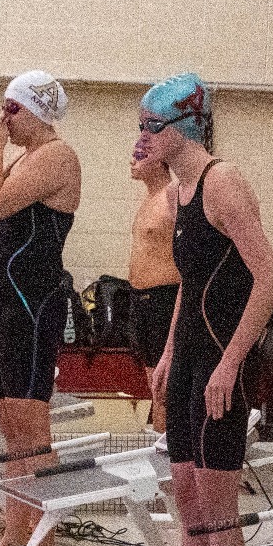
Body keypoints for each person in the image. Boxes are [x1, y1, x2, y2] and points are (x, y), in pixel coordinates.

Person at [127, 75, 273, 546]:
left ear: (179, 128)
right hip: (192, 355)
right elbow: (189, 287)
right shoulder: (178, 193)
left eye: (149, 127)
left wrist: (231, 361)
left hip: (223, 362)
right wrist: (170, 350)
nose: (142, 138)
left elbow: (268, 278)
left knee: (220, 510)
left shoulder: (223, 184)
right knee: (188, 497)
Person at [0, 70, 81, 546]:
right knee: (10, 425)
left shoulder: (58, 155)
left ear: (35, 111)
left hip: (35, 303)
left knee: (33, 430)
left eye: (10, 109)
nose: (2, 119)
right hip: (5, 302)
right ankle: (14, 539)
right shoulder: (22, 162)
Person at [128, 135, 180, 425]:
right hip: (141, 301)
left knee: (165, 385)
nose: (132, 161)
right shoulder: (148, 199)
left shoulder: (172, 196)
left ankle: (170, 452)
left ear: (159, 160)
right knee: (154, 383)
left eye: (139, 155)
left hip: (165, 299)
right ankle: (164, 443)